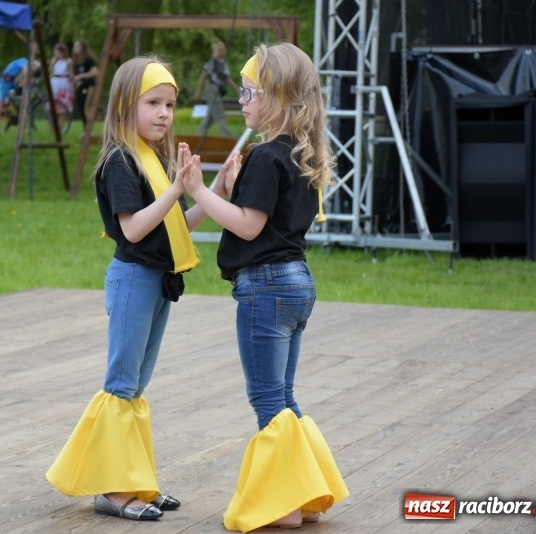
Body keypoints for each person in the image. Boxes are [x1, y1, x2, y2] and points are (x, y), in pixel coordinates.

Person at [46, 55, 231, 522]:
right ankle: (112, 489)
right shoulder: (120, 162)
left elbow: (174, 229)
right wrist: (175, 189)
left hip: (158, 281)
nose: (165, 113)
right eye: (154, 103)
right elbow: (133, 231)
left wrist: (214, 194)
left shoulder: (154, 159)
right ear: (127, 105)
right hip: (132, 281)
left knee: (136, 387)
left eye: (170, 103)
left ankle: (136, 481)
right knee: (121, 385)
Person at [180, 42, 349, 532]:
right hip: (297, 283)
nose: (242, 100)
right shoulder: (299, 155)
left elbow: (250, 227)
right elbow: (266, 219)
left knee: (267, 400)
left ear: (280, 97)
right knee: (285, 396)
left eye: (250, 91)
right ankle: (308, 493)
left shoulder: (266, 158)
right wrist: (228, 191)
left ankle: (285, 506)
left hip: (266, 287)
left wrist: (197, 191)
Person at [192, 40, 240, 137]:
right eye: (220, 49)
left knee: (210, 117)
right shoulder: (212, 63)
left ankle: (199, 135)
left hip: (217, 91)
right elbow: (203, 77)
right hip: (212, 90)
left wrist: (238, 91)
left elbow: (228, 79)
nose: (222, 51)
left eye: (223, 49)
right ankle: (228, 137)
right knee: (219, 115)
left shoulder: (223, 64)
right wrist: (198, 92)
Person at [0, 57, 40, 129]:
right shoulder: (24, 61)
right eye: (35, 69)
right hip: (4, 82)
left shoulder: (26, 67)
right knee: (0, 104)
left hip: (13, 82)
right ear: (33, 64)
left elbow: (22, 78)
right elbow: (26, 71)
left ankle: (15, 114)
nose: (34, 71)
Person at [72, 39, 98, 129]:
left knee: (85, 107)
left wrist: (80, 76)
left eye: (77, 46)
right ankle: (86, 129)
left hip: (88, 86)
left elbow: (95, 72)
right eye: (74, 46)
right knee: (80, 107)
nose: (75, 48)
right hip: (80, 87)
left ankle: (89, 129)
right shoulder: (77, 62)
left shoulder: (88, 60)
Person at [49, 43, 74, 134]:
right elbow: (51, 73)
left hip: (64, 83)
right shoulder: (54, 61)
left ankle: (60, 128)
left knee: (63, 109)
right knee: (53, 108)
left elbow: (71, 75)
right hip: (55, 83)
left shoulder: (68, 61)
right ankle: (52, 129)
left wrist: (72, 89)